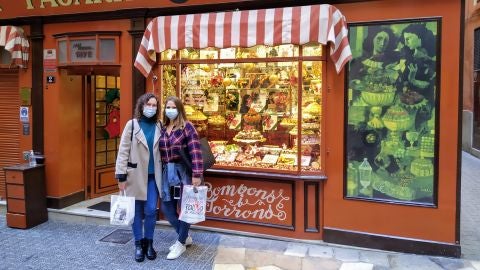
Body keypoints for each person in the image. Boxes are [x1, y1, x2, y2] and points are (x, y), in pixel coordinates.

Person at [115, 93, 162, 263]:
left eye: (154, 105)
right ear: (142, 106)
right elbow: (123, 151)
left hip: (153, 177)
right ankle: (138, 244)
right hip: (134, 176)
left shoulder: (159, 125)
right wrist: (120, 176)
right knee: (136, 212)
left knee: (150, 210)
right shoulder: (132, 125)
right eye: (148, 104)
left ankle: (149, 242)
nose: (151, 107)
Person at [159, 96, 203, 260]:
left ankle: (180, 243)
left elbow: (195, 151)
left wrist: (196, 174)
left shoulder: (187, 127)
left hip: (183, 171)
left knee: (185, 207)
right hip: (166, 171)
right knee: (167, 207)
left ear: (179, 109)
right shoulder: (163, 128)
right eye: (167, 107)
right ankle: (184, 237)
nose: (170, 110)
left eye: (173, 107)